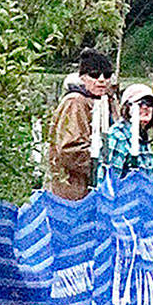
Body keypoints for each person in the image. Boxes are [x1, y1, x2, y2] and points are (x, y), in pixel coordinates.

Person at [48, 48, 114, 200]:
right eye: (95, 75)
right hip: (73, 190)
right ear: (83, 78)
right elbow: (70, 149)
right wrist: (101, 166)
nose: (102, 79)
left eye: (107, 75)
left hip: (91, 189)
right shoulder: (75, 102)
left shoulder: (103, 101)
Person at [98, 83, 153, 182]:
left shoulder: (142, 137)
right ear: (127, 107)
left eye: (150, 103)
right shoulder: (118, 136)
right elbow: (109, 182)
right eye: (141, 103)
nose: (146, 107)